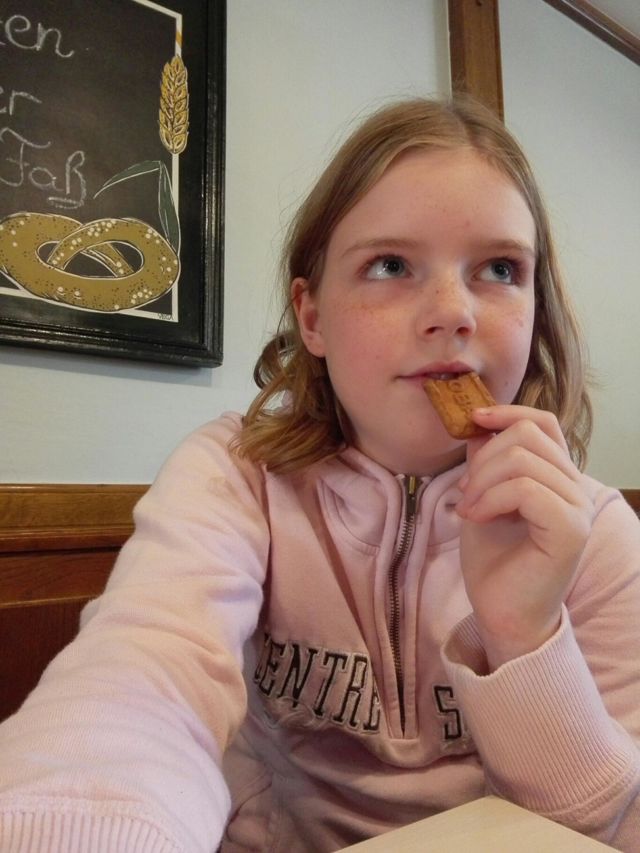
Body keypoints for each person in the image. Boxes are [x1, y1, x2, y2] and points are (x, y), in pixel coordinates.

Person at [1, 96, 639, 853]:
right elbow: (143, 675)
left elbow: (608, 828)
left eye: (500, 269)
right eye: (389, 265)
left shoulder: (596, 534)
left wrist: (524, 635)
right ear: (312, 317)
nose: (452, 312)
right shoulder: (238, 476)